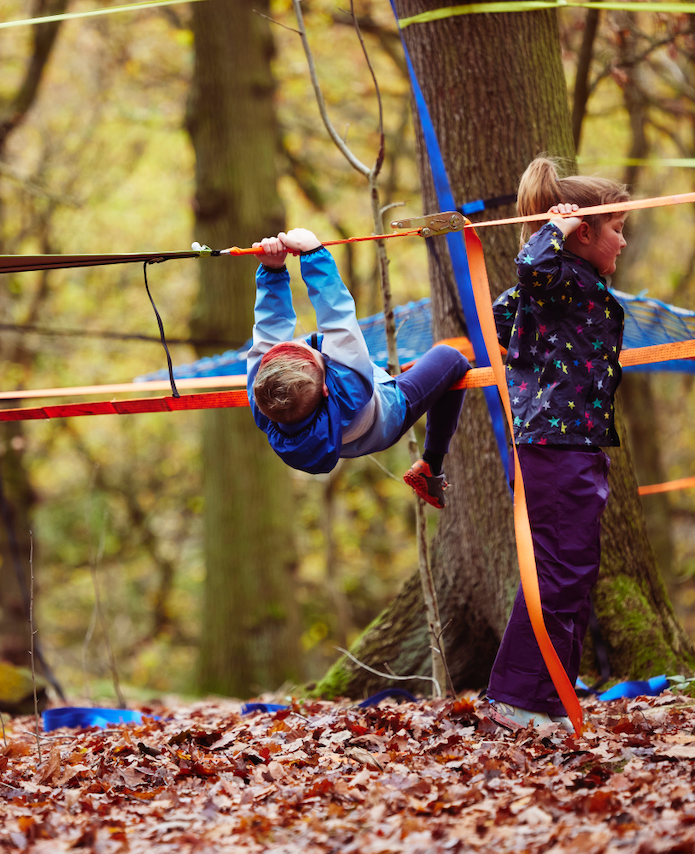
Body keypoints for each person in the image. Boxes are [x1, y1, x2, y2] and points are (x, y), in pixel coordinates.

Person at [485, 156, 630, 731]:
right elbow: (529, 266)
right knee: (558, 575)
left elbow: (506, 313)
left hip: (577, 443)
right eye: (616, 228)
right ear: (585, 233)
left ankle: (550, 695)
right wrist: (556, 229)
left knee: (574, 573)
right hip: (556, 443)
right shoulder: (560, 276)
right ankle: (519, 700)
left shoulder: (572, 287)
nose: (623, 241)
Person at [247, 228, 471, 507]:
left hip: (345, 436)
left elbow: (268, 333)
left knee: (336, 356)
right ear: (328, 388)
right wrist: (313, 254)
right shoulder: (348, 389)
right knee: (452, 358)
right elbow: (338, 318)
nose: (306, 345)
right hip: (389, 419)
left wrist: (272, 271)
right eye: (316, 355)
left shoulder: (264, 398)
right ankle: (432, 467)